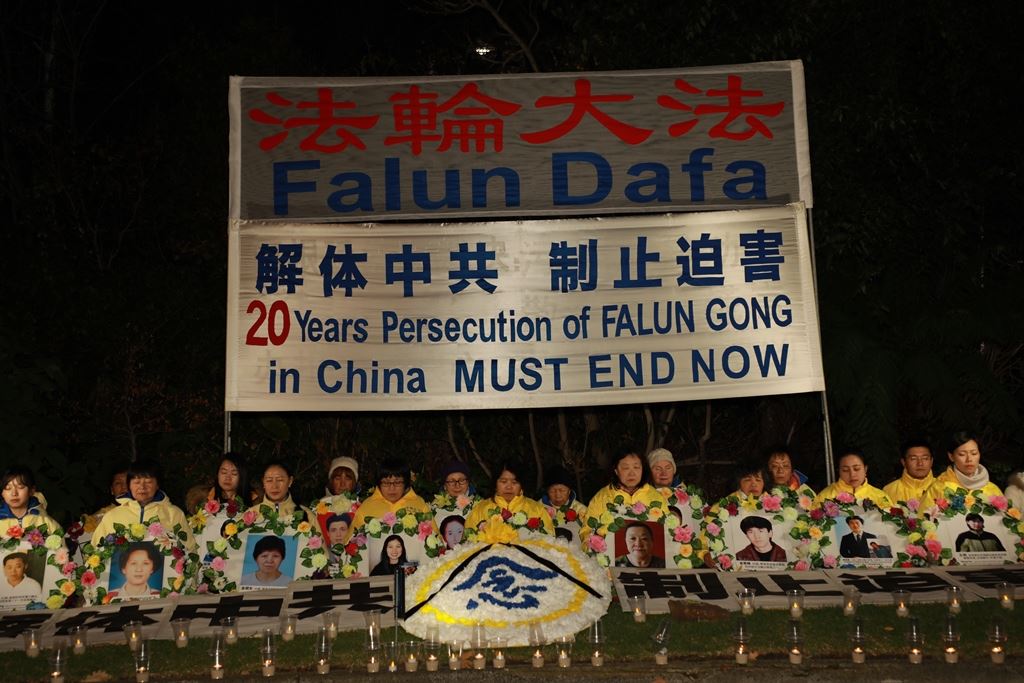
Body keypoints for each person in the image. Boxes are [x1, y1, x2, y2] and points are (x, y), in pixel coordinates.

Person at [90, 460, 195, 550]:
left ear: (157, 485)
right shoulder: (112, 516)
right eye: (136, 482)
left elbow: (189, 549)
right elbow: (96, 551)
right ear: (129, 485)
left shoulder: (173, 514)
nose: (142, 487)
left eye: (148, 482)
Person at [582, 450, 669, 544]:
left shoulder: (655, 497)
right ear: (616, 471)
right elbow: (587, 530)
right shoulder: (602, 497)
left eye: (636, 467)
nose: (632, 473)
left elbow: (667, 530)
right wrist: (594, 545)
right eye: (625, 468)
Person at [465, 463, 554, 535]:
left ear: (521, 485)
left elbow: (549, 542)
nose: (509, 487)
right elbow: (468, 542)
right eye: (503, 482)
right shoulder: (480, 509)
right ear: (495, 484)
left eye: (514, 482)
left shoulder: (537, 509)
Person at [924, 432, 1003, 507]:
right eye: (962, 454)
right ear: (951, 456)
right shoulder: (939, 488)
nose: (969, 459)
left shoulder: (992, 489)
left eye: (974, 453)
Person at [350, 459, 432, 532]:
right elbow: (352, 539)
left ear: (406, 484)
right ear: (379, 484)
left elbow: (434, 536)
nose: (392, 488)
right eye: (386, 482)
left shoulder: (419, 504)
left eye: (398, 482)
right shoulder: (367, 506)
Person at [814, 450, 894, 508]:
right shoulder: (825, 496)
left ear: (865, 469)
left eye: (856, 469)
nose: (852, 474)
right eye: (845, 470)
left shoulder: (880, 496)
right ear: (839, 472)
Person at [247, 462, 315, 523]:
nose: (274, 486)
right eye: (269, 480)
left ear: (290, 481)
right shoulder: (250, 515)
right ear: (263, 482)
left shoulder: (307, 515)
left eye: (280, 480)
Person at [0, 466, 60, 535]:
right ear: (2, 493)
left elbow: (60, 540)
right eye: (8, 488)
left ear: (32, 491)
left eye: (20, 487)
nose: (14, 493)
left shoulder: (44, 520)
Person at [882, 439, 936, 506]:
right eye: (913, 459)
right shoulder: (889, 490)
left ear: (931, 461)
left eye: (925, 458)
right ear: (903, 462)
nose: (920, 463)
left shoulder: (942, 488)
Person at [539, 465, 587, 539]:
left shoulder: (581, 510)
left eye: (562, 490)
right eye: (552, 491)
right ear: (547, 491)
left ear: (569, 491)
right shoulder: (537, 507)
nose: (558, 495)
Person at [83, 465, 129, 532]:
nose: (124, 487)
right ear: (112, 490)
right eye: (118, 483)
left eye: (128, 482)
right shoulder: (100, 517)